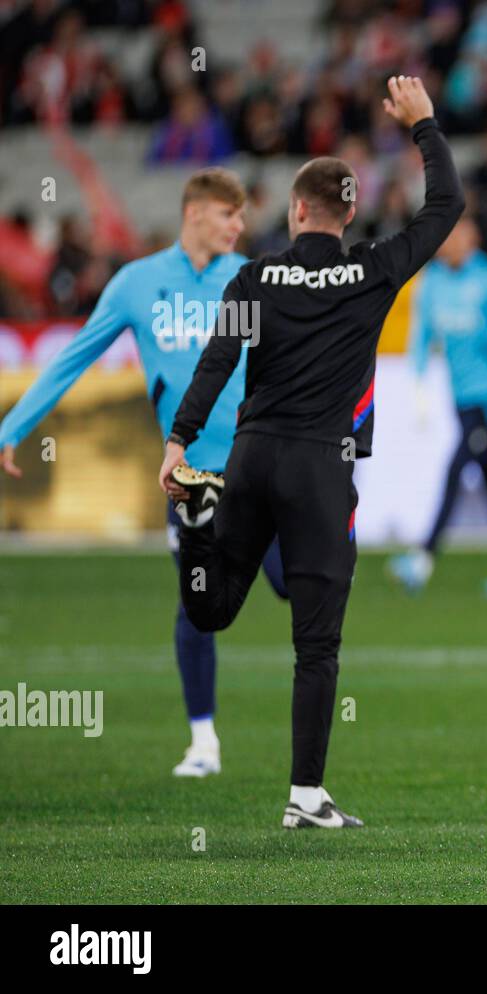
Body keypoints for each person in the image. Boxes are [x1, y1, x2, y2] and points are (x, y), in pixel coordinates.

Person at [158, 76, 465, 829]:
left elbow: (215, 363)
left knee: (213, 609)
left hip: (253, 456)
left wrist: (178, 441)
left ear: (296, 211)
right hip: (321, 469)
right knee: (317, 644)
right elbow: (446, 207)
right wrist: (423, 127)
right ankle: (305, 796)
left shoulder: (254, 277)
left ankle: (197, 526)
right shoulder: (372, 271)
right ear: (349, 213)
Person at [0, 167, 287, 779]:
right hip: (187, 478)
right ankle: (203, 743)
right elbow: (74, 356)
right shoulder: (139, 285)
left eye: (241, 216)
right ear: (196, 214)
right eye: (229, 214)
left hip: (256, 464)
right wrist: (12, 427)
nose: (240, 225)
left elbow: (274, 366)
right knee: (197, 604)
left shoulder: (244, 282)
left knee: (294, 583)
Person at [388, 215, 487, 592]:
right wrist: (419, 383)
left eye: (455, 236)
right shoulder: (433, 283)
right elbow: (422, 334)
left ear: (472, 238)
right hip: (459, 394)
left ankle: (424, 556)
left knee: (457, 467)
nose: (447, 244)